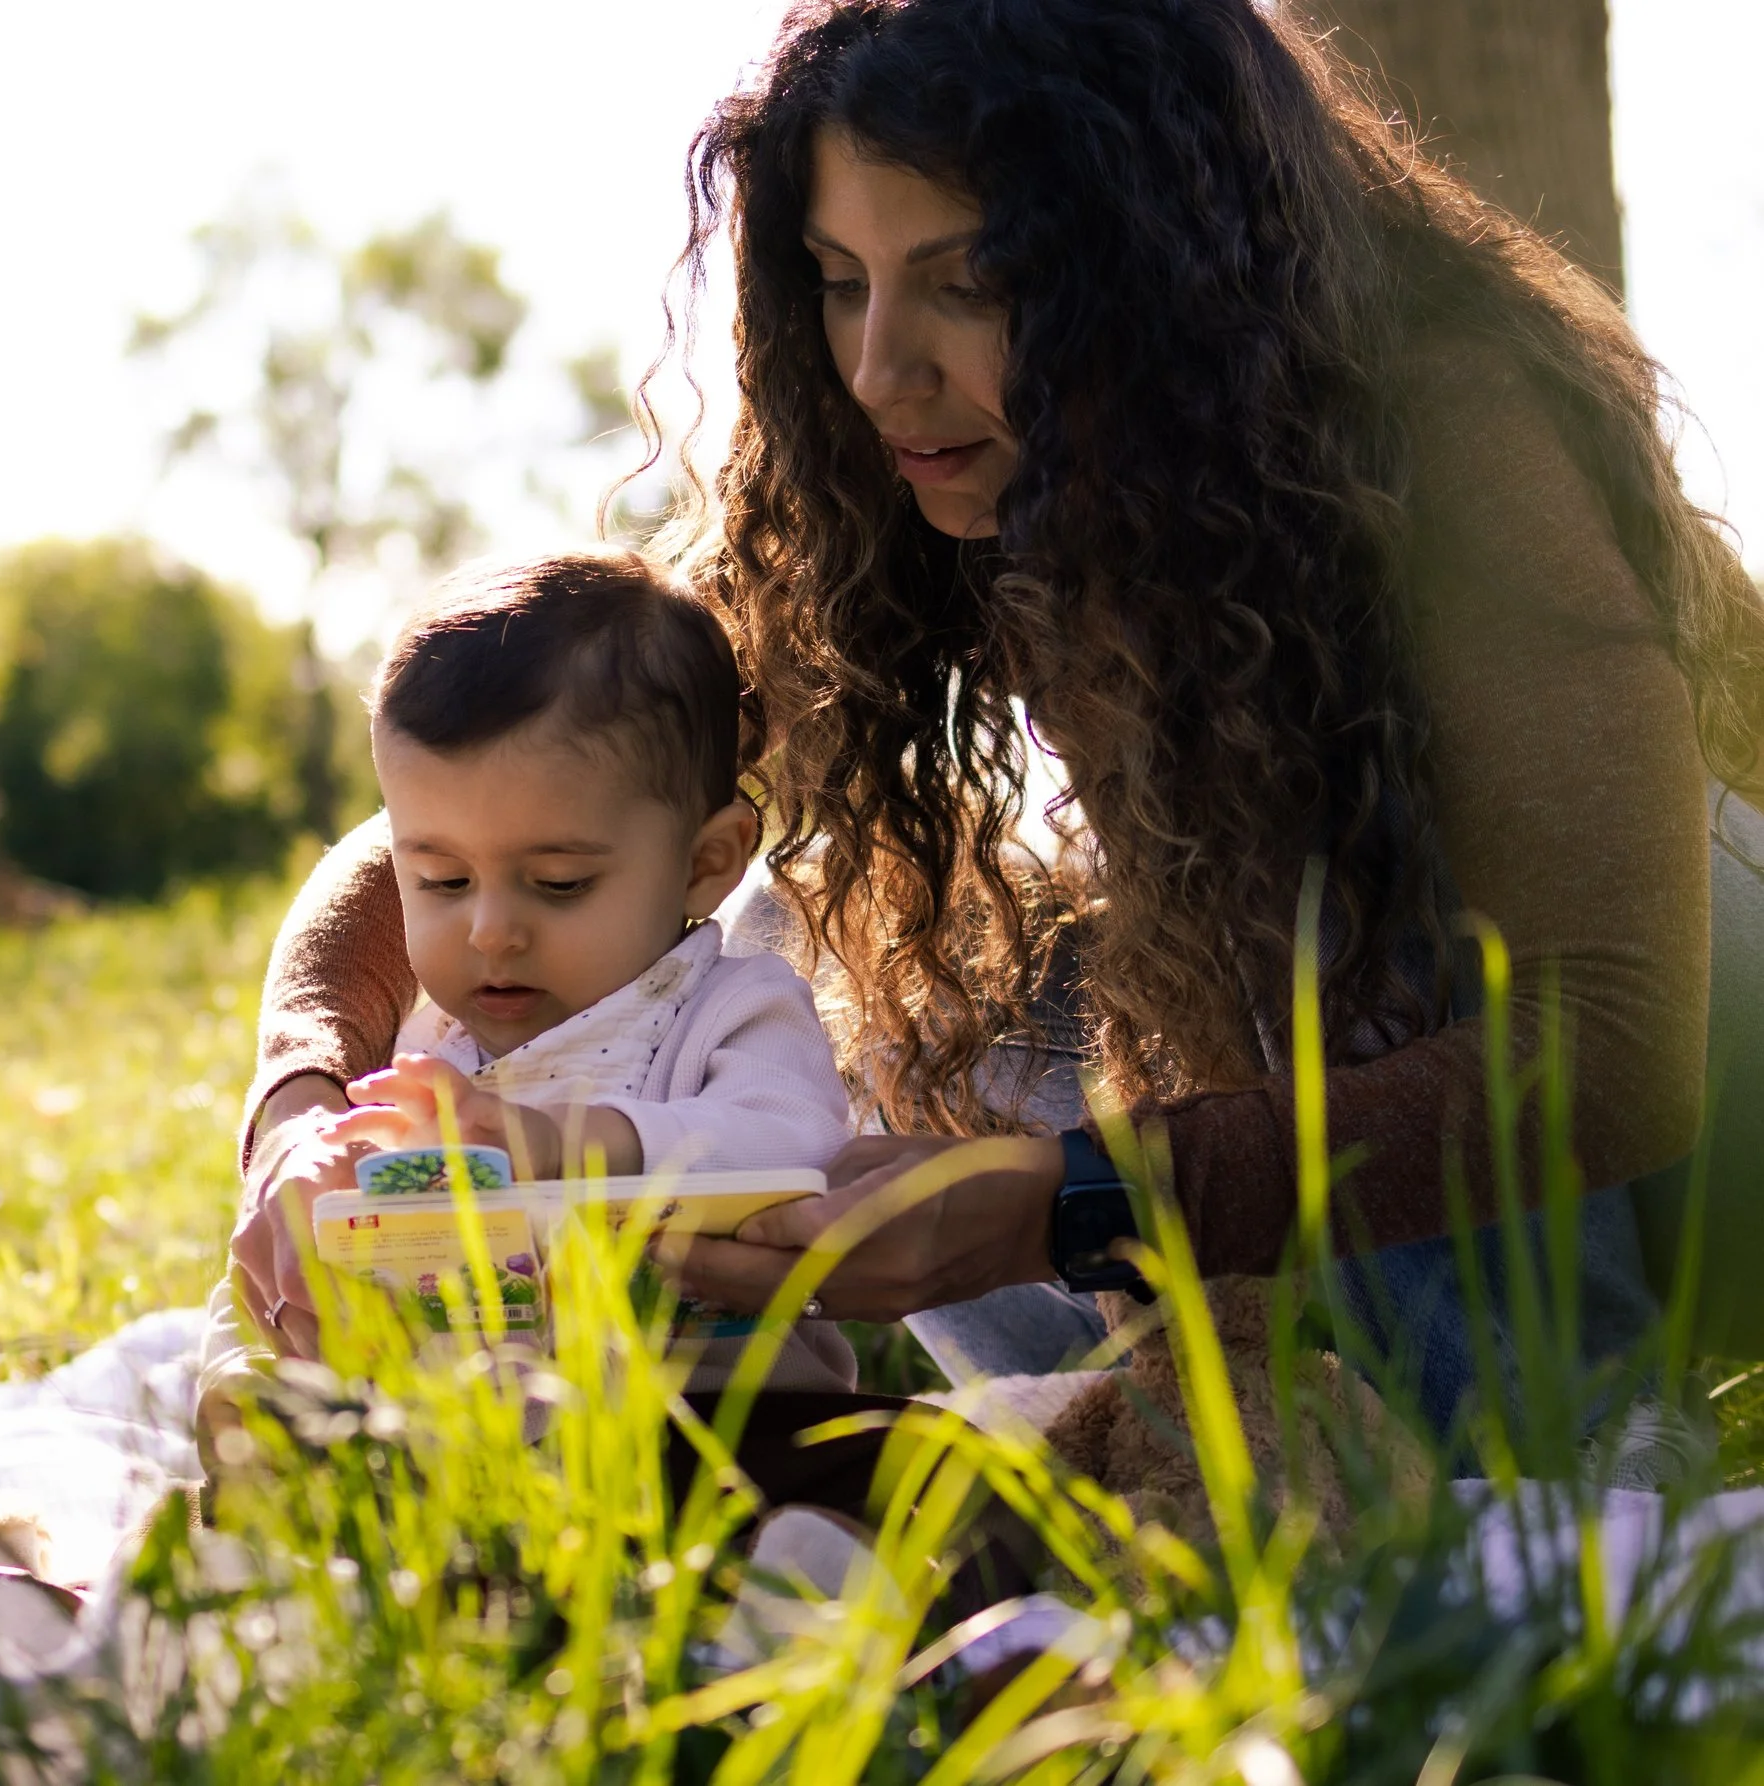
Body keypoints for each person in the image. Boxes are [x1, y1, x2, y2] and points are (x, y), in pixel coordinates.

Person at [232, 0, 1764, 1440]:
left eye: (970, 280)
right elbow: (535, 778)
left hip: (1698, 1083)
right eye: (841, 279)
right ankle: (1162, 1429)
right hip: (1445, 1123)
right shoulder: (905, 470)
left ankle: (1559, 1467)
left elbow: (1618, 1042)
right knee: (872, 948)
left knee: (1294, 881)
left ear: (1158, 261)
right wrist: (300, 1100)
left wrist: (1064, 1197)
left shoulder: (1458, 417)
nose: (880, 367)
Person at [200, 550, 862, 1428]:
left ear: (707, 862)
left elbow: (794, 1151)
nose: (490, 932)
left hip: (725, 1424)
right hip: (488, 1450)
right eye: (440, 880)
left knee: (905, 1470)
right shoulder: (428, 1052)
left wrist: (566, 1146)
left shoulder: (732, 1008)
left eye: (557, 884)